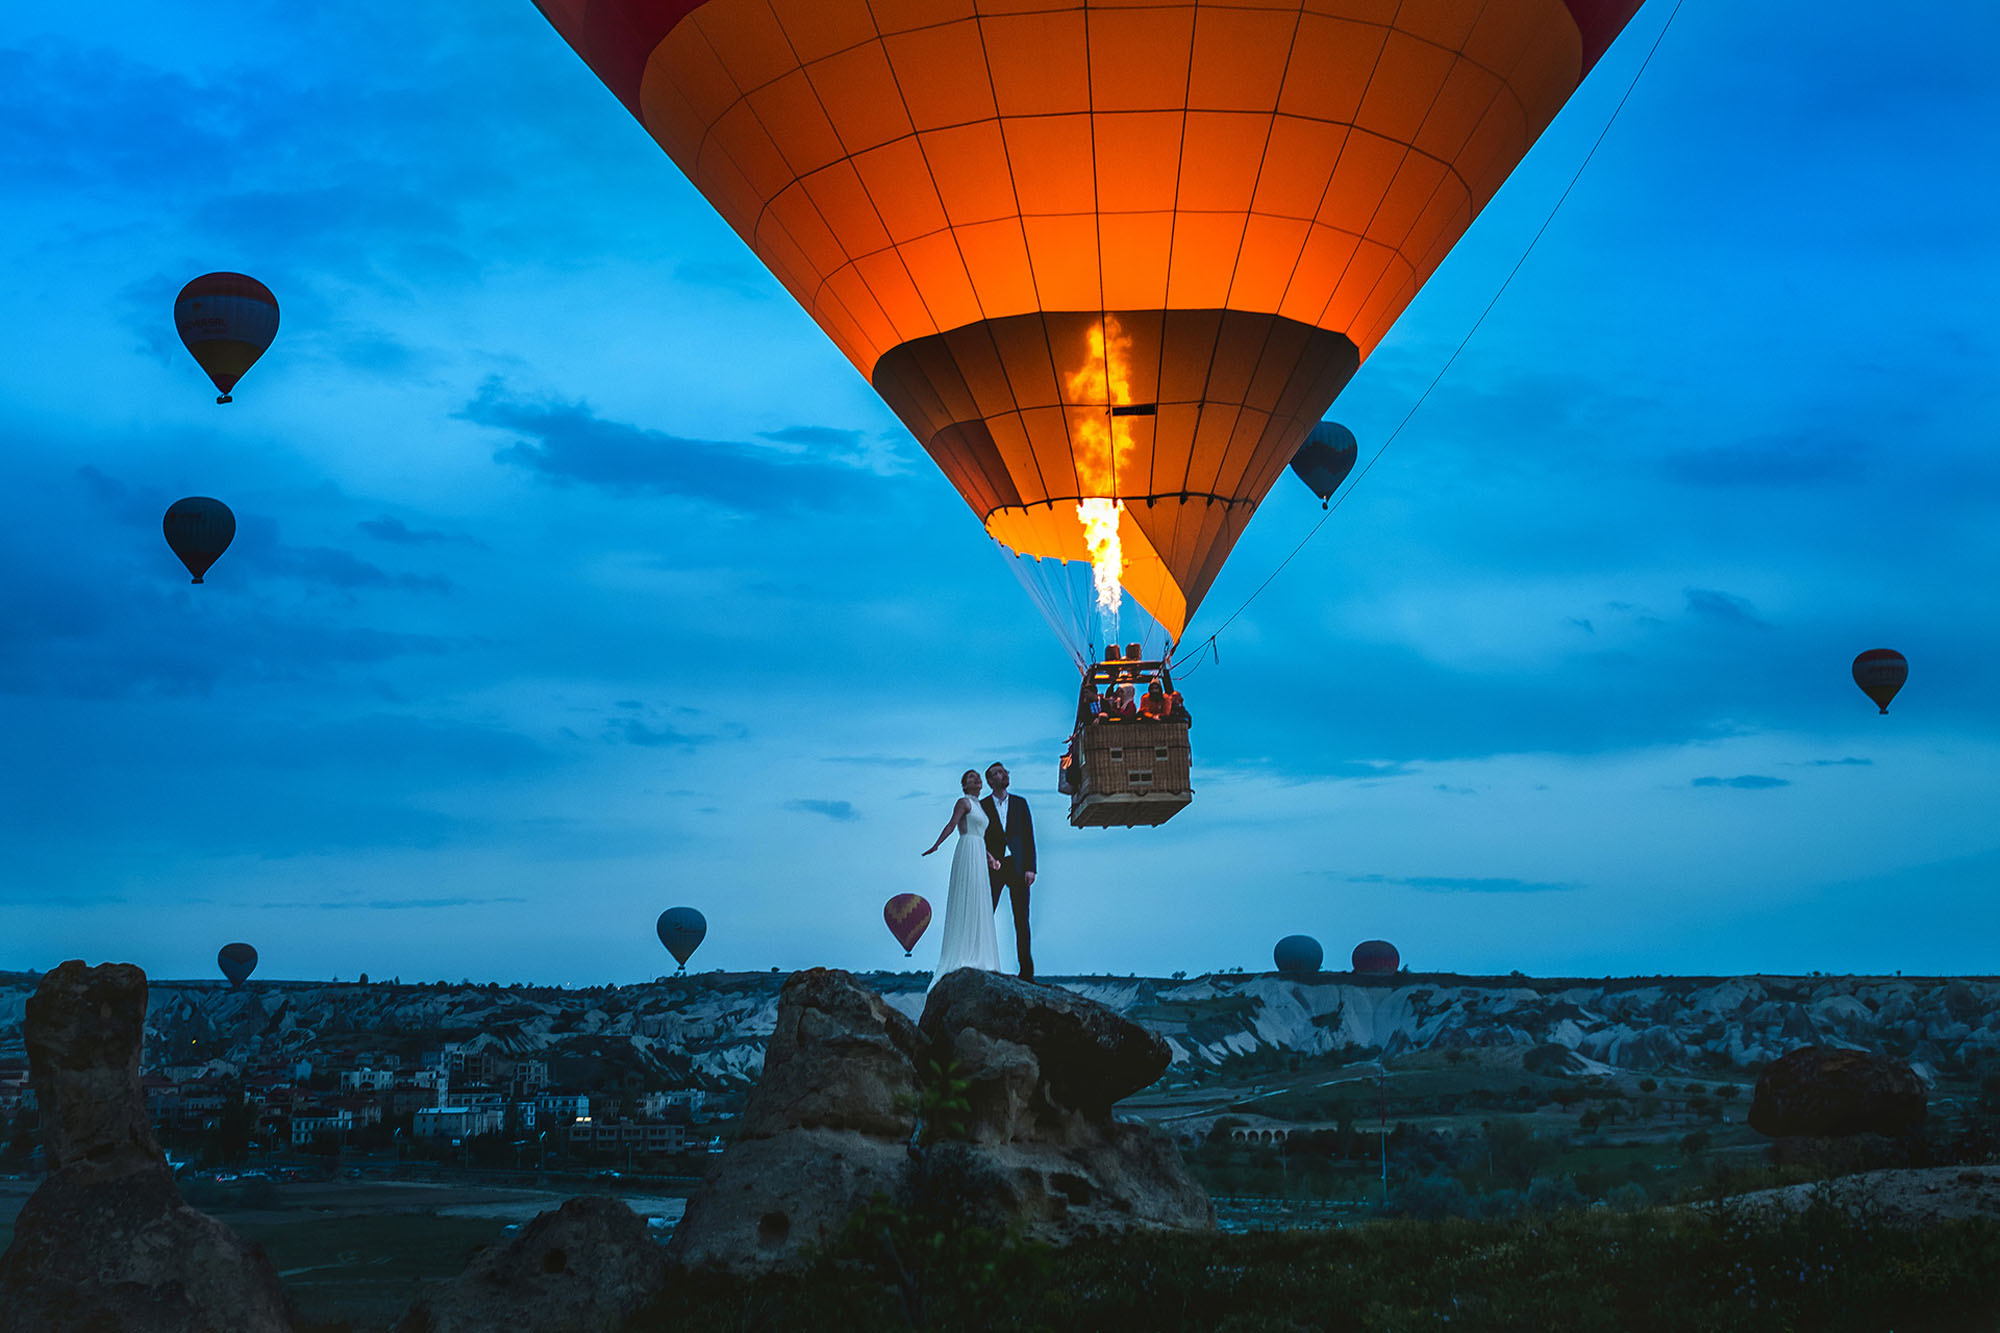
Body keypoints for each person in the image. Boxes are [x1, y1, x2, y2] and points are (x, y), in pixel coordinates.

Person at [920, 768, 1002, 991]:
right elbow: (952, 824)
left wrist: (991, 859)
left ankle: (980, 953)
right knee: (967, 896)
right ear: (964, 785)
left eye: (977, 777)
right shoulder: (963, 802)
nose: (975, 779)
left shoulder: (981, 807)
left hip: (978, 850)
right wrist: (937, 844)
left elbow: (981, 836)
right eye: (970, 778)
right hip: (966, 850)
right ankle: (964, 953)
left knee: (979, 900)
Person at [981, 762, 1038, 981]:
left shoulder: (1021, 803)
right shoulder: (983, 805)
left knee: (1022, 920)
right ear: (990, 781)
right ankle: (981, 963)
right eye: (997, 773)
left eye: (1004, 771)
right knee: (985, 916)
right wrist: (988, 859)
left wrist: (1031, 868)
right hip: (993, 867)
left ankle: (1027, 972)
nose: (1003, 775)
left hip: (1018, 867)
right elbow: (980, 837)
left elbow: (1028, 836)